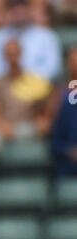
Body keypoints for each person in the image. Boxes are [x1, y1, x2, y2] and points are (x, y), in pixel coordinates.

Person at [0, 39, 57, 148]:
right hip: (5, 129)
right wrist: (3, 127)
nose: (13, 57)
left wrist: (42, 123)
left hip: (29, 129)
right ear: (4, 56)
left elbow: (47, 114)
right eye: (9, 54)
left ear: (21, 54)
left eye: (15, 53)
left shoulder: (35, 81)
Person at [0, 0, 62, 81]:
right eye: (14, 10)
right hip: (4, 87)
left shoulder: (47, 36)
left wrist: (24, 81)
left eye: (22, 9)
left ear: (30, 10)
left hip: (36, 87)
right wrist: (9, 79)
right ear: (7, 12)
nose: (19, 14)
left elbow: (53, 69)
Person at [51, 47, 77, 176]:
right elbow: (56, 138)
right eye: (73, 60)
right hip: (68, 164)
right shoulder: (62, 96)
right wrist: (70, 151)